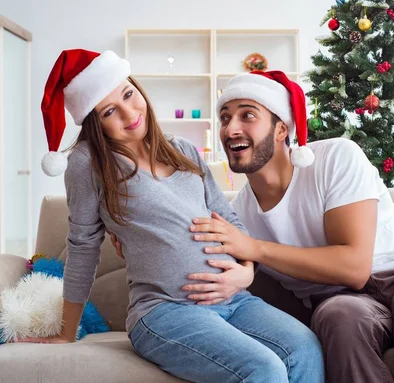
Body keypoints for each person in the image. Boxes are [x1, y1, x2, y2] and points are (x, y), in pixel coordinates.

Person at [26, 49, 325, 383]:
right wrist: (67, 331)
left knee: (305, 348)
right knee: (262, 368)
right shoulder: (89, 163)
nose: (129, 113)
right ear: (95, 122)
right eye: (110, 111)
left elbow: (230, 220)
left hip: (236, 300)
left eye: (128, 94)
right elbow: (83, 246)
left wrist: (245, 274)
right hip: (165, 310)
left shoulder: (183, 149)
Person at [179, 71, 394, 383]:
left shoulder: (336, 158)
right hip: (340, 301)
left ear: (282, 129)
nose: (231, 128)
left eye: (248, 115)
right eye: (225, 118)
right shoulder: (237, 214)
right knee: (339, 319)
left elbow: (354, 267)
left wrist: (255, 250)